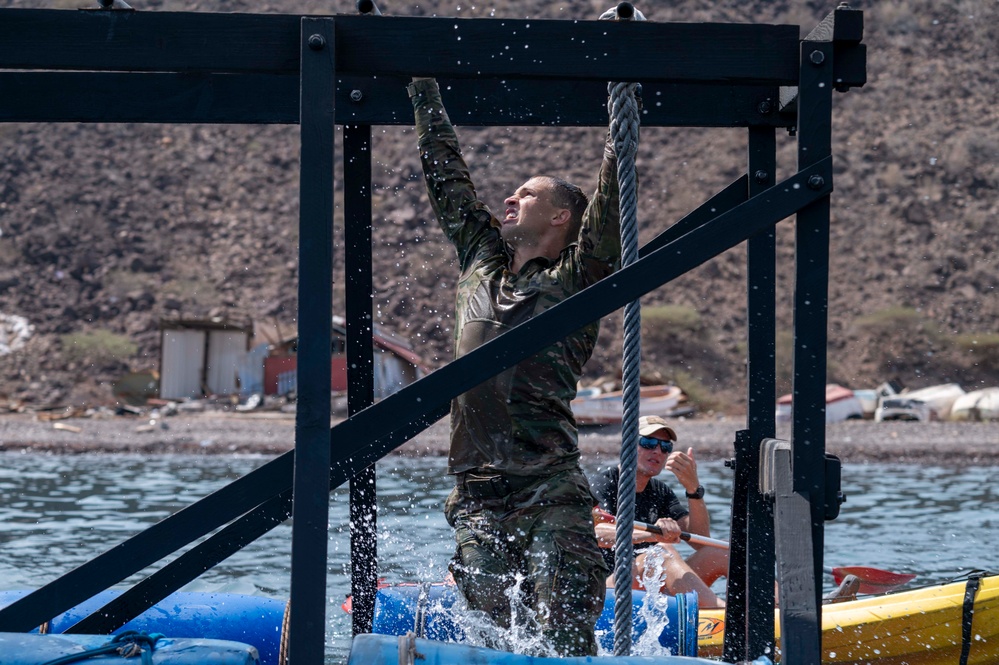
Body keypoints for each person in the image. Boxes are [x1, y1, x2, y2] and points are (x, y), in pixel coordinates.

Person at [407, 76, 622, 657]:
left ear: (560, 218)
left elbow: (610, 201)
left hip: (547, 482)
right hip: (476, 487)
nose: (509, 199)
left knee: (567, 620)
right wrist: (424, 86)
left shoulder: (578, 278)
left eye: (526, 195)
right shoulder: (481, 259)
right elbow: (446, 178)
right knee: (491, 630)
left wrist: (621, 103)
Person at [591, 415, 729, 608]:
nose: (657, 451)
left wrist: (693, 489)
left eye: (665, 447)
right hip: (607, 593)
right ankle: (725, 613)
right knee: (660, 553)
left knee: (721, 551)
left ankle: (776, 611)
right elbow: (596, 533)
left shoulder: (660, 491)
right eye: (648, 443)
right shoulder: (603, 483)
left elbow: (700, 540)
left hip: (648, 583)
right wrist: (651, 535)